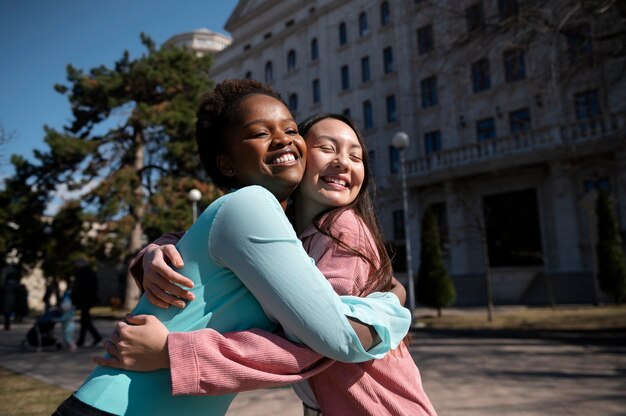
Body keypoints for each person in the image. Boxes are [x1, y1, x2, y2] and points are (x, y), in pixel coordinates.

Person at [53, 80, 410, 416]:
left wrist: (156, 251)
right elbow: (339, 338)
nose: (283, 141)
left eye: (290, 130)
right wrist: (392, 301)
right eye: (260, 133)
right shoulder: (252, 203)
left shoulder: (288, 228)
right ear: (225, 162)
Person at [71, 259, 102, 347]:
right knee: (85, 320)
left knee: (85, 319)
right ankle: (88, 338)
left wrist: (74, 297)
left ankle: (92, 338)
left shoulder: (81, 273)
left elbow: (78, 286)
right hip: (89, 299)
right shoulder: (90, 272)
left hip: (85, 299)